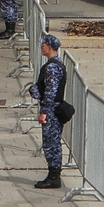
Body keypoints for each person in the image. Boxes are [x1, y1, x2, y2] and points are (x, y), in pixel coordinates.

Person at [35, 32, 67, 188]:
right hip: (53, 109)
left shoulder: (53, 67)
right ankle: (53, 175)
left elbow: (50, 92)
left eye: (44, 43)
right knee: (52, 143)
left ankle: (54, 177)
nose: (42, 46)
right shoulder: (55, 64)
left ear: (50, 47)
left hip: (52, 111)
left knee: (51, 144)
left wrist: (44, 112)